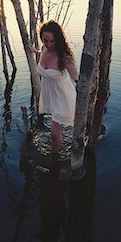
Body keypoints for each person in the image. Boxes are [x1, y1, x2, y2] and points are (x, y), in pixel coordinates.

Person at [30, 20, 78, 155]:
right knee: (54, 127)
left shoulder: (64, 56)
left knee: (55, 132)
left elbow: (75, 75)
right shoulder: (45, 48)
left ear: (58, 39)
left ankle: (54, 157)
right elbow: (43, 53)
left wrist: (83, 89)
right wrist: (35, 51)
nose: (49, 44)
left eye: (52, 41)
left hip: (62, 95)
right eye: (45, 41)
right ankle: (55, 150)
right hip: (49, 92)